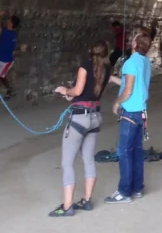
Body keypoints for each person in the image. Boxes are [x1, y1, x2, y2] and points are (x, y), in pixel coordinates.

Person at [49, 41, 116, 217]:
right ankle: (86, 201)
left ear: (90, 52)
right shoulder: (107, 69)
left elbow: (78, 90)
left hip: (80, 118)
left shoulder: (85, 66)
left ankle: (67, 206)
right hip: (95, 117)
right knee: (88, 159)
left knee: (67, 162)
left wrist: (65, 90)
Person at [105, 32, 153, 204]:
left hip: (130, 112)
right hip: (141, 112)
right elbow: (133, 84)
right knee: (137, 151)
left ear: (135, 44)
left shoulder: (130, 63)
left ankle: (124, 192)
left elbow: (128, 90)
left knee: (124, 151)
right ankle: (137, 188)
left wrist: (116, 103)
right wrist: (112, 79)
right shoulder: (145, 62)